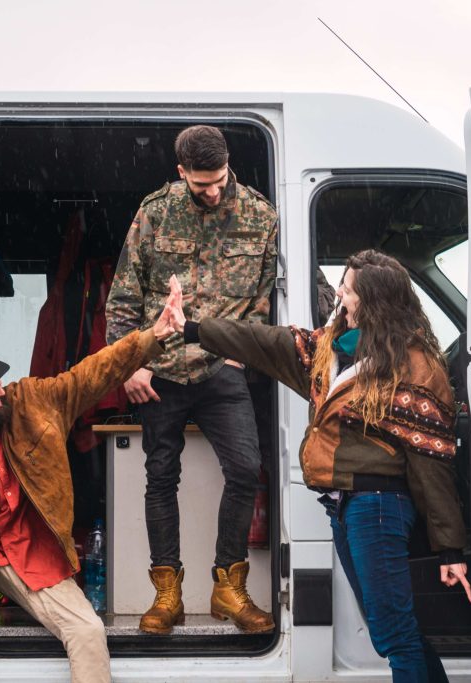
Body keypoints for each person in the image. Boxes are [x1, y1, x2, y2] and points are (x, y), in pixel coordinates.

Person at [165, 250, 471, 682]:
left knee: (393, 634)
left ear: (374, 301)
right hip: (343, 507)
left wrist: (450, 548)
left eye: (346, 291)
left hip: (379, 507)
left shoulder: (414, 364)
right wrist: (193, 329)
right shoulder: (328, 350)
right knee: (394, 632)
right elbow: (261, 341)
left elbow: (431, 460)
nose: (339, 297)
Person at [0, 296, 178, 681]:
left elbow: (93, 373)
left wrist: (152, 337)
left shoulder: (33, 400)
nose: (0, 390)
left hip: (34, 555)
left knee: (87, 632)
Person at [105, 124, 278, 634]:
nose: (213, 191)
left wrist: (243, 353)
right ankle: (168, 595)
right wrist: (130, 365)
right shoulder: (154, 212)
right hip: (160, 371)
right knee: (161, 478)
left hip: (222, 367)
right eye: (201, 183)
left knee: (246, 468)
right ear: (181, 172)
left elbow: (267, 297)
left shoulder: (259, 214)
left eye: (219, 179)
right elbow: (122, 299)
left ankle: (229, 588)